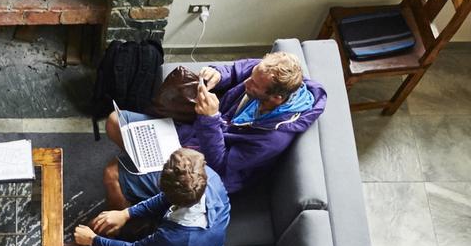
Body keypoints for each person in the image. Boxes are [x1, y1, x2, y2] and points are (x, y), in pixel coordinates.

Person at [104, 51, 326, 206]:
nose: (247, 83)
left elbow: (221, 165)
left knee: (113, 174)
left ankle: (131, 222)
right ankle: (149, 171)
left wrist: (210, 119)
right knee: (115, 121)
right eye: (252, 75)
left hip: (208, 171)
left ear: (277, 98)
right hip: (194, 135)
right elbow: (239, 69)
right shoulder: (268, 73)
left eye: (254, 85)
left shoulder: (273, 138)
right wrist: (220, 73)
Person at [65, 148, 229, 246]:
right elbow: (165, 198)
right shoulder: (205, 176)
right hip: (181, 242)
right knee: (105, 220)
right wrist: (126, 214)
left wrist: (94, 241)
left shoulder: (175, 237)